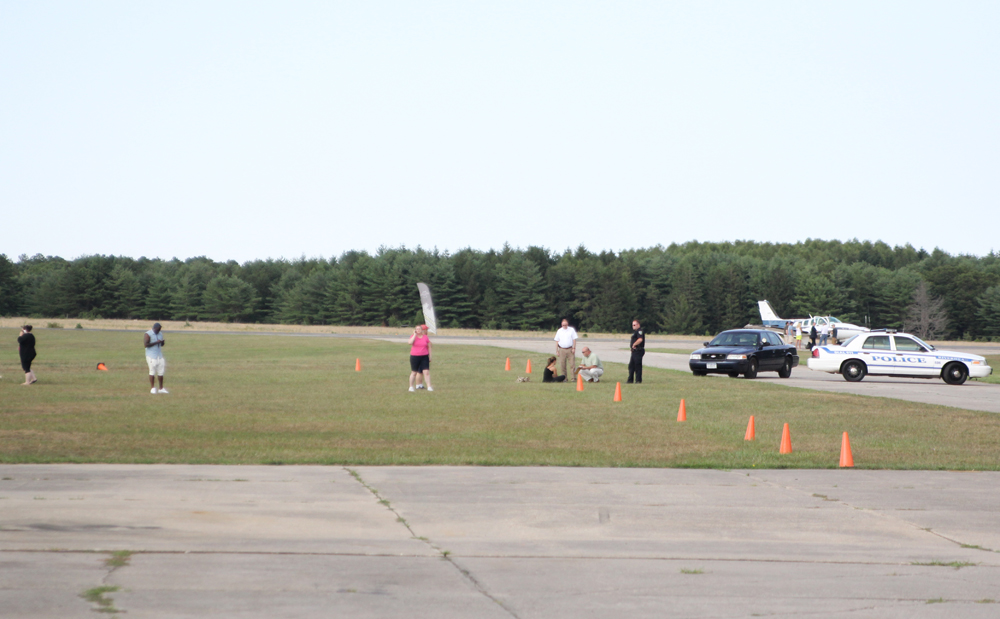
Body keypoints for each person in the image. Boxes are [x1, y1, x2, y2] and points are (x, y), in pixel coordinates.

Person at [408, 324, 433, 392]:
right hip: (415, 356)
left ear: (422, 330)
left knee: (426, 372)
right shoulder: (413, 336)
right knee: (414, 372)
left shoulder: (425, 337)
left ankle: (429, 386)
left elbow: (429, 346)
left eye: (419, 329)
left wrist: (430, 356)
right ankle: (411, 386)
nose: (418, 330)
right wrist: (414, 335)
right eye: (417, 329)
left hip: (424, 356)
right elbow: (410, 342)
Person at [144, 322, 168, 394]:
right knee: (152, 371)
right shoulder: (148, 334)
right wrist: (156, 342)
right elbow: (146, 345)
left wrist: (162, 342)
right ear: (154, 328)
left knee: (161, 371)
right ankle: (153, 388)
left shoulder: (160, 334)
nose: (159, 331)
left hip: (159, 355)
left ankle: (161, 388)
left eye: (160, 329)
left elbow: (161, 345)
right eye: (158, 329)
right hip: (151, 355)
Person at [627, 319, 645, 384]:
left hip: (638, 350)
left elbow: (640, 339)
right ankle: (630, 380)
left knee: (637, 366)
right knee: (631, 366)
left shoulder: (640, 331)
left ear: (638, 324)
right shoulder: (635, 332)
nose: (633, 326)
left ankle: (638, 380)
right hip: (634, 351)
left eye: (634, 325)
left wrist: (634, 344)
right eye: (632, 325)